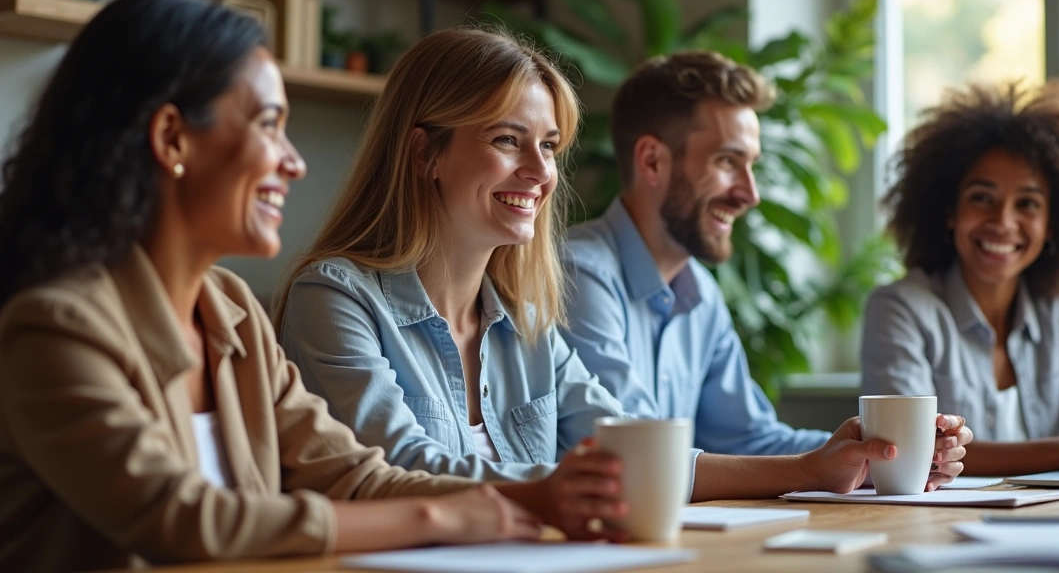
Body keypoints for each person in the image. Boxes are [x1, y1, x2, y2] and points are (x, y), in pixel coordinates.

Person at [276, 29, 952, 524]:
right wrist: (567, 488)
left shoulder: (527, 322)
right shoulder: (334, 299)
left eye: (548, 147)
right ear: (426, 151)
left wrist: (815, 468)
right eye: (508, 141)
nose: (541, 175)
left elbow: (631, 443)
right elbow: (399, 473)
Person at [0, 0, 542, 572]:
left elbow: (352, 475)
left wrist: (533, 498)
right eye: (268, 125)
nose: (295, 161)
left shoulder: (230, 311)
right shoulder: (53, 327)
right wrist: (439, 519)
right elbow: (181, 519)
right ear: (172, 139)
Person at [557, 50, 971, 490]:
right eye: (727, 162)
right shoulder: (579, 274)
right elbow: (635, 457)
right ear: (653, 161)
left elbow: (752, 438)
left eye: (750, 164)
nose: (750, 194)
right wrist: (817, 468)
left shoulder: (700, 292)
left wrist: (888, 454)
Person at [861, 81, 1059, 476]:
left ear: (1051, 226)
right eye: (982, 197)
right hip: (935, 526)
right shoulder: (900, 309)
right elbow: (913, 450)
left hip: (1039, 518)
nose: (1003, 222)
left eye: (1027, 203)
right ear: (949, 212)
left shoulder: (1057, 311)